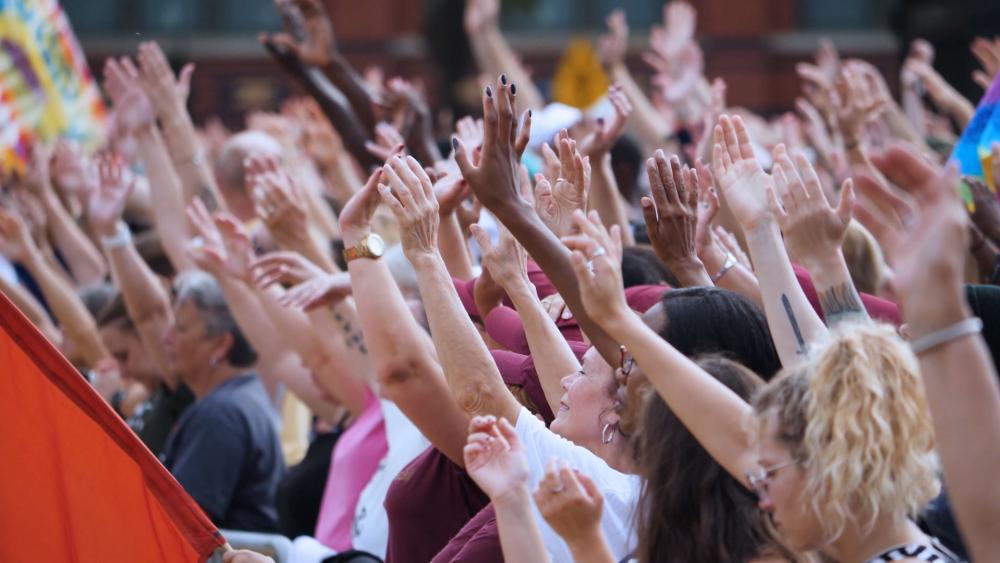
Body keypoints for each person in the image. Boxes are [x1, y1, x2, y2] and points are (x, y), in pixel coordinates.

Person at [160, 270, 284, 533]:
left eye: (180, 329)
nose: (166, 338)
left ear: (220, 345)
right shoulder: (238, 399)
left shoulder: (221, 415)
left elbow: (180, 527)